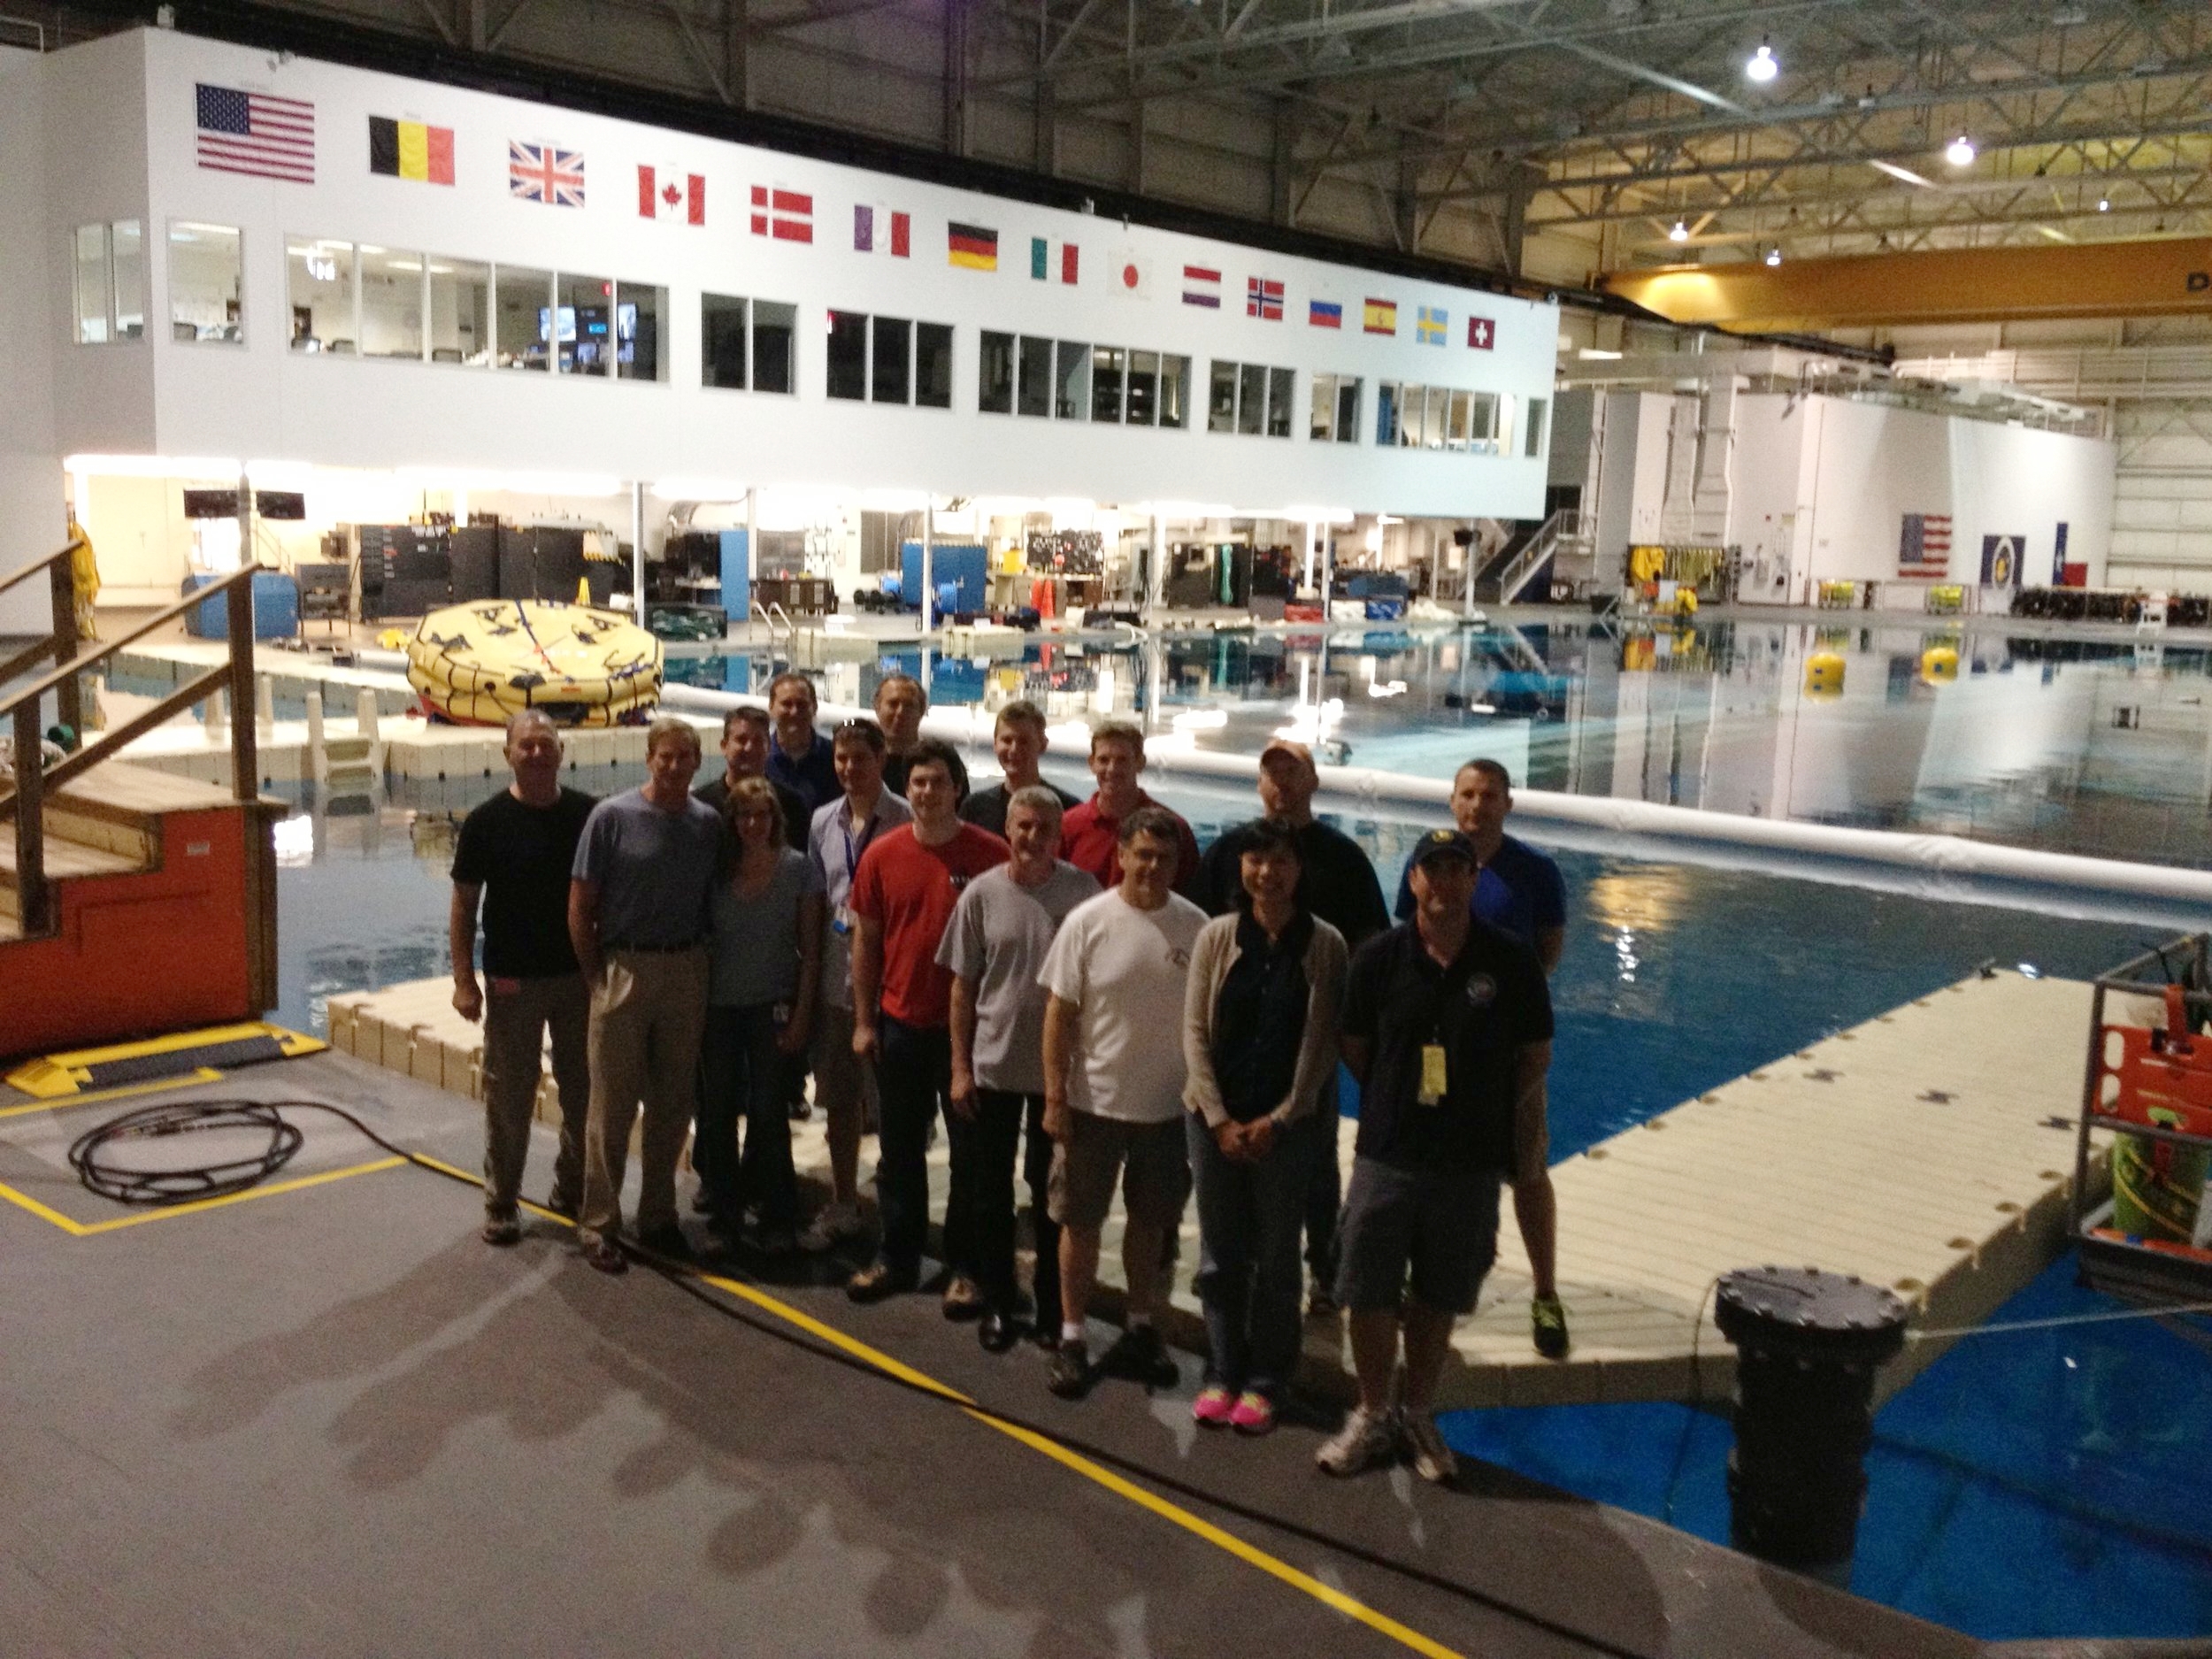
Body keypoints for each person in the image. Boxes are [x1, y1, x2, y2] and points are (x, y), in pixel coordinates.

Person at [1317, 829, 1553, 1482]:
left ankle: (1417, 1410)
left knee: (1438, 1290)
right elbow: (1354, 1042)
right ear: (1413, 880)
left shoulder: (1508, 961)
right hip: (1389, 1151)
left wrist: (1483, 1104)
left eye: (1458, 871)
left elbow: (1535, 1051)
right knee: (1367, 1285)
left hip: (1469, 1160)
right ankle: (1371, 1412)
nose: (1444, 883)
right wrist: (1399, 1096)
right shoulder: (1381, 958)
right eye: (1432, 871)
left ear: (1473, 880)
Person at [1195, 739, 1388, 1317]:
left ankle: (1324, 1271)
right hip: (1236, 1043)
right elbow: (1197, 931)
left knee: (1316, 1160)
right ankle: (1239, 1264)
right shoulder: (1233, 850)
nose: (1281, 784)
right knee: (1232, 1155)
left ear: (1314, 781)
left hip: (1311, 1042)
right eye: (1271, 773)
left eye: (1292, 772)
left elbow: (1371, 945)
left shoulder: (1343, 857)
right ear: (1259, 785)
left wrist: (1356, 1025)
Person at [1391, 758, 1571, 1359]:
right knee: (1428, 1165)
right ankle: (1426, 1280)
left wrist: (1497, 1012)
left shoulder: (1536, 874)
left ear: (1508, 804)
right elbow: (1407, 950)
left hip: (1508, 1051)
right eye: (1467, 794)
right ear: (1452, 801)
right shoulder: (1422, 865)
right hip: (1437, 1052)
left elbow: (1545, 958)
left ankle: (1545, 1290)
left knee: (1526, 1166)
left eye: (1489, 795)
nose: (1478, 805)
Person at [1181, 819, 1348, 1434]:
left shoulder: (1324, 943)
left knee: (1279, 1256)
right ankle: (1222, 1369)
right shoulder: (1216, 936)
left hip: (1288, 1127)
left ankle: (1267, 1378)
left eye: (1279, 861)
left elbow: (1319, 1043)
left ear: (1299, 870)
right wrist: (1220, 1118)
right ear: (1241, 869)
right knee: (1221, 1253)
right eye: (1256, 860)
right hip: (1213, 1119)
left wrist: (1280, 1119)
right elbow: (1194, 1031)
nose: (1266, 873)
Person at [1038, 807, 1208, 1399]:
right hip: (1093, 1102)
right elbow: (1060, 1014)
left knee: (1151, 1223)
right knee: (1080, 1223)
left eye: (1164, 858)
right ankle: (1072, 1334)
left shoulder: (1197, 927)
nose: (1153, 866)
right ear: (1123, 856)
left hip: (1166, 1109)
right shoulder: (1088, 921)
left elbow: (1206, 1022)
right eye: (1143, 854)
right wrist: (1055, 1095)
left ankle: (1139, 1324)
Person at [846, 740, 1009, 1304]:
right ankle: (898, 1257)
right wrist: (865, 1022)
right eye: (917, 782)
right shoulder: (881, 856)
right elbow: (865, 944)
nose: (927, 792)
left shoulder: (992, 855)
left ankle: (967, 1266)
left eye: (938, 781)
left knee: (971, 1158)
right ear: (906, 789)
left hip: (970, 1034)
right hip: (901, 1025)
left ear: (958, 788)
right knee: (900, 1151)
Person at [939, 786, 1100, 1351]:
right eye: (1023, 827)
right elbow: (962, 987)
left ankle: (1054, 1309)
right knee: (990, 1194)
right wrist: (960, 1067)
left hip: (1059, 1079)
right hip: (995, 1067)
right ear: (1008, 830)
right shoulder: (981, 895)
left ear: (1060, 836)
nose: (1033, 838)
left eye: (1044, 829)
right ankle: (1001, 1301)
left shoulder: (1084, 894)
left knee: (1051, 1195)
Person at [567, 716, 725, 1274]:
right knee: (610, 1106)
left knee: (672, 1104)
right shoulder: (610, 818)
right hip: (625, 968)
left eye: (686, 757)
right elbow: (581, 905)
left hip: (686, 967)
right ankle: (600, 1223)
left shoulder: (707, 823)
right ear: (649, 758)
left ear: (698, 763)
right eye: (666, 756)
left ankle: (658, 1215)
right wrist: (596, 978)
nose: (675, 766)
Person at [449, 710, 597, 1245]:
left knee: (583, 1092)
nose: (536, 753)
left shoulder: (588, 815)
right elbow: (465, 906)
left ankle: (572, 1191)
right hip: (513, 981)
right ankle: (502, 1199)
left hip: (577, 978)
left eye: (545, 744)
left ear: (562, 751)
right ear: (507, 753)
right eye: (526, 745)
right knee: (510, 1094)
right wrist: (465, 980)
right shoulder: (486, 822)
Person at [797, 718, 912, 1252]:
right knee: (840, 1103)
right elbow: (818, 905)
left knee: (896, 1111)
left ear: (881, 759)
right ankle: (844, 1202)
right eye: (841, 759)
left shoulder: (906, 820)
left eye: (859, 759)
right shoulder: (823, 821)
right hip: (836, 987)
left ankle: (897, 1213)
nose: (848, 768)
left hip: (894, 987)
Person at [699, 775, 825, 1254]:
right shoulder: (715, 871)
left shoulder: (798, 871)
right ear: (732, 822)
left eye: (762, 815)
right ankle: (725, 1217)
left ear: (776, 819)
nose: (753, 824)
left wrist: (800, 1018)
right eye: (744, 816)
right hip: (720, 1007)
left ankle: (778, 1216)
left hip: (771, 1005)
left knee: (770, 1114)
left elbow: (811, 954)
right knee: (717, 1114)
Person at [1057, 721, 1201, 899]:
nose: (1112, 769)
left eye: (1122, 760)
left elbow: (1191, 898)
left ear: (1140, 763)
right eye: (1104, 760)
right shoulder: (1068, 826)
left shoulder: (1175, 828)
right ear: (1092, 763)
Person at [695, 704, 810, 850]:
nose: (749, 748)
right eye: (741, 740)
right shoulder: (701, 805)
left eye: (758, 741)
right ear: (724, 746)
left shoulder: (791, 806)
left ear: (768, 748)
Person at [958, 700, 1079, 837]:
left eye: (1024, 741)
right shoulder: (974, 808)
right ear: (995, 744)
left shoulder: (1068, 810)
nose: (1014, 749)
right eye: (1007, 740)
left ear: (1043, 745)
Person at [874, 672, 969, 801]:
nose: (900, 712)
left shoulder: (944, 762)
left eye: (909, 705)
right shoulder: (861, 761)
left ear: (922, 710)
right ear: (877, 707)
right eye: (893, 704)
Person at [764, 672, 840, 816]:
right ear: (771, 707)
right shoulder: (759, 759)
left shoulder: (836, 757)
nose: (794, 712)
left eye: (802, 704)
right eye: (786, 704)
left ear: (815, 707)